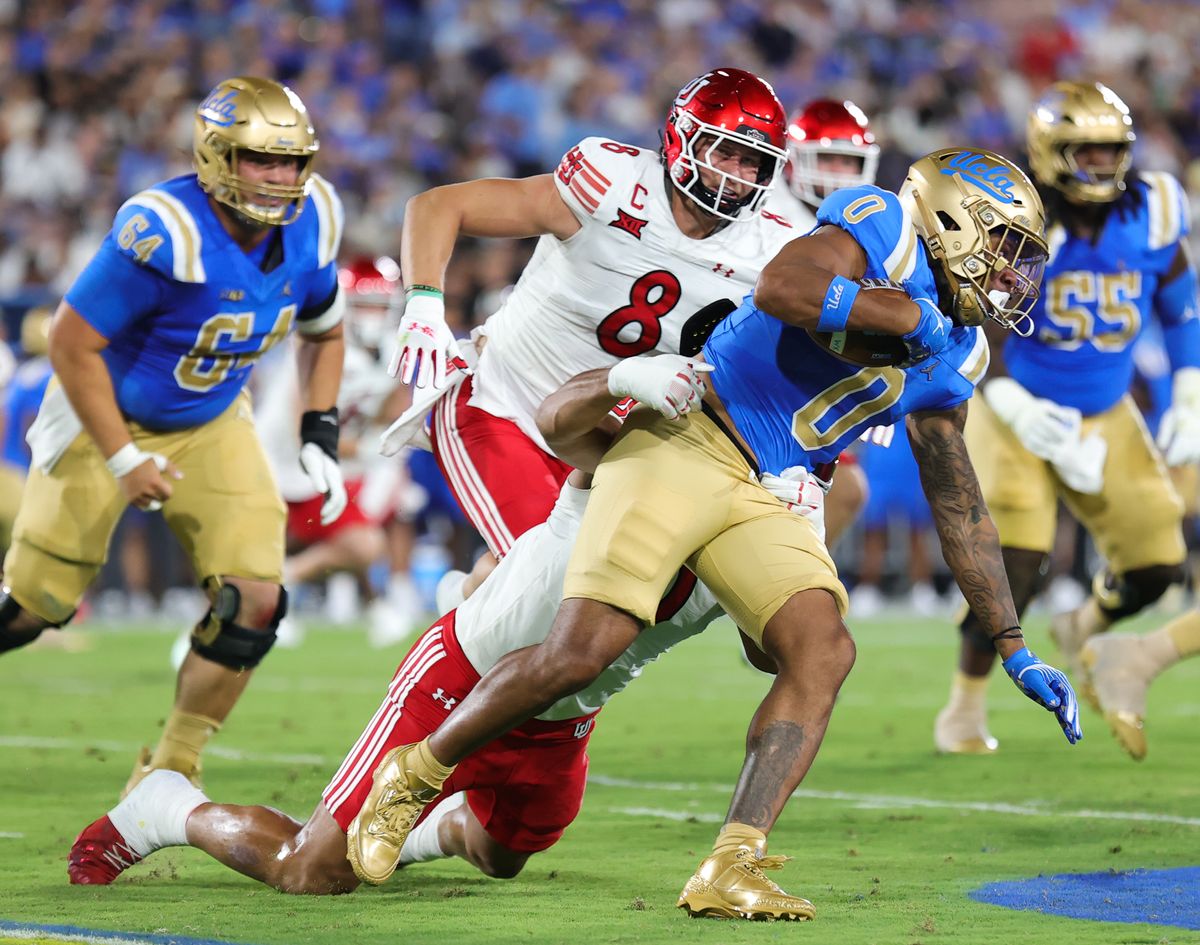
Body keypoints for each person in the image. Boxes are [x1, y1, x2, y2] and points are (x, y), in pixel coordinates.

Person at [340, 147, 1082, 921]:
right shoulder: (885, 229)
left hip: (770, 484)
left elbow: (959, 502)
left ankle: (732, 862)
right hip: (689, 431)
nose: (1009, 276)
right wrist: (899, 312)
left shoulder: (962, 352)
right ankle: (417, 773)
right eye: (1003, 249)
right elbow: (786, 286)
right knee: (583, 648)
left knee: (822, 648)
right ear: (954, 224)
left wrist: (1012, 643)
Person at [66, 353, 825, 894]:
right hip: (463, 679)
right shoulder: (651, 447)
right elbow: (561, 422)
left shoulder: (768, 510)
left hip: (565, 719)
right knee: (308, 869)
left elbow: (773, 656)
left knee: (500, 855)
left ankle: (413, 826)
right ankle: (165, 804)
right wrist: (629, 375)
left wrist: (798, 546)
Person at [0, 76, 349, 795]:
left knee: (254, 602)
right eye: (262, 159)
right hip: (105, 416)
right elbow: (70, 344)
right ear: (217, 155)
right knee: (31, 609)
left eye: (291, 161)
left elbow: (327, 327)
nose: (282, 177)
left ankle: (170, 769)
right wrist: (125, 456)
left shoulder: (316, 219)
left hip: (212, 417)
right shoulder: (166, 229)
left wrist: (321, 428)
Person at [380, 67, 801, 605]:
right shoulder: (611, 183)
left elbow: (780, 365)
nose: (736, 174)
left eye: (753, 162)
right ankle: (459, 644)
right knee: (552, 592)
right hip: (505, 402)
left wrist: (812, 449)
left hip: (602, 439)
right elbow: (439, 205)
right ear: (681, 137)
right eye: (723, 152)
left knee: (606, 599)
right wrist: (422, 304)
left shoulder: (773, 243)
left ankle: (467, 598)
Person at [932, 81, 1200, 755]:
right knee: (1016, 562)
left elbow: (1179, 299)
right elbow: (968, 321)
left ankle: (1088, 622)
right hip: (1018, 404)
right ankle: (963, 705)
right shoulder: (1013, 222)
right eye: (1088, 152)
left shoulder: (1155, 209)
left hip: (1105, 406)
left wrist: (1191, 383)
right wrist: (1011, 400)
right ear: (1052, 153)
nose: (1105, 166)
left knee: (1158, 563)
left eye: (1114, 152)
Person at [255, 256, 414, 648]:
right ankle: (261, 603)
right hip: (276, 461)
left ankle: (287, 588)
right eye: (365, 305)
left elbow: (394, 412)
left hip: (327, 463)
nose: (375, 315)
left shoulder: (395, 350)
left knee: (361, 543)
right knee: (255, 550)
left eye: (380, 304)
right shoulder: (322, 341)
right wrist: (363, 447)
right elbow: (301, 428)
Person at [766, 98, 882, 543]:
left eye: (847, 161)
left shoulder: (857, 225)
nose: (836, 172)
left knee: (845, 491)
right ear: (793, 159)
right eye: (826, 157)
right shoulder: (774, 215)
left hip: (800, 382)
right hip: (756, 380)